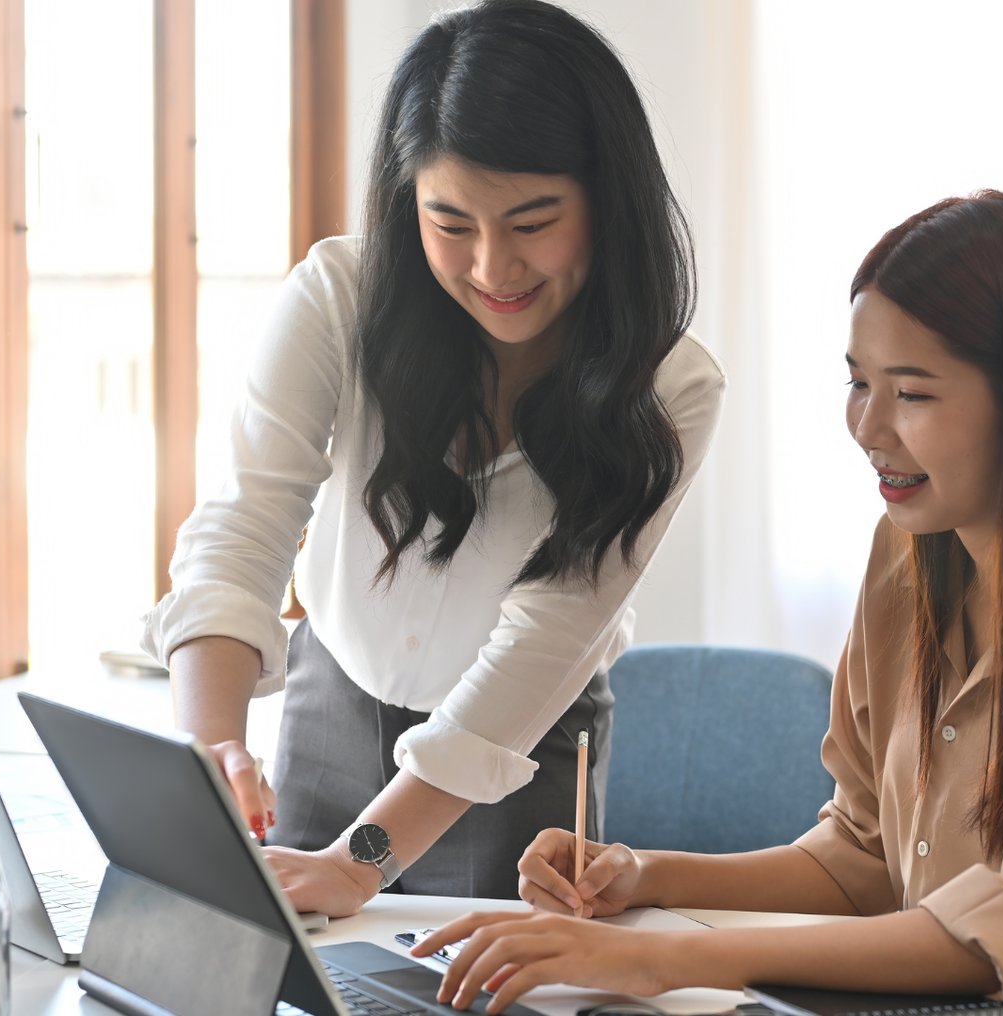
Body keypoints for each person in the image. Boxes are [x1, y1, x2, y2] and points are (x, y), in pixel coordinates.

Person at [412, 191, 1003, 1008]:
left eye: (909, 393)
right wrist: (645, 876)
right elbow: (867, 858)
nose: (867, 429)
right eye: (857, 383)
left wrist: (668, 959)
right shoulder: (909, 556)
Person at [139, 0, 723, 917]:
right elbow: (245, 524)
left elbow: (546, 641)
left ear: (608, 203)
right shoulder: (340, 298)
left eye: (533, 221)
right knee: (298, 971)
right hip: (332, 692)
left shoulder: (669, 390)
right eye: (451, 223)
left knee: (486, 983)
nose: (494, 266)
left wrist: (362, 859)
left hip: (520, 738)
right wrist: (209, 751)